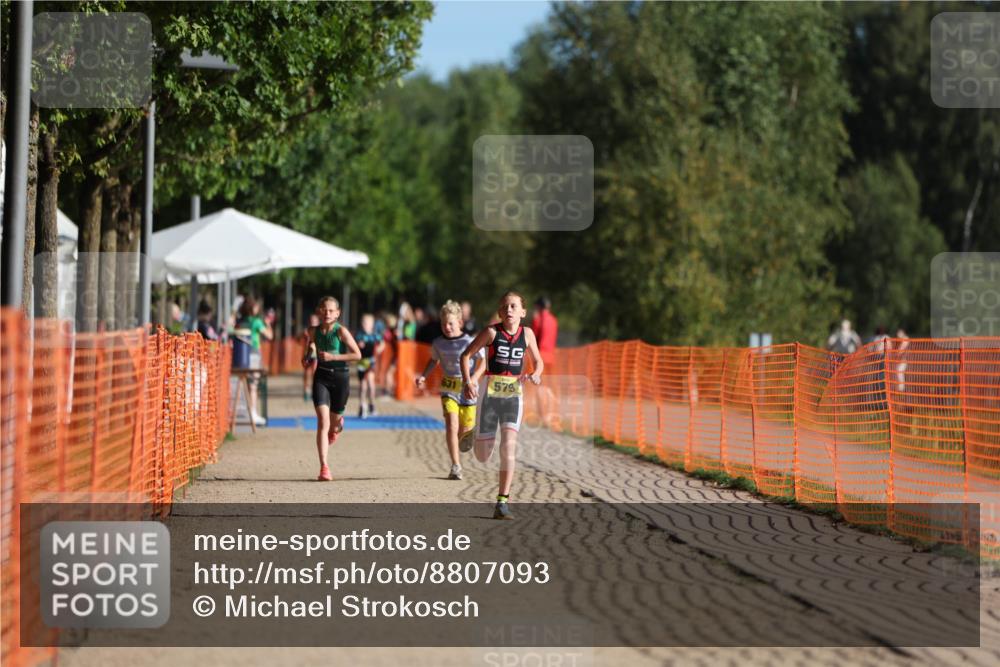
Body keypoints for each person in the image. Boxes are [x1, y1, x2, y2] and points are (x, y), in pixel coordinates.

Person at [461, 291, 544, 520]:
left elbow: (538, 361)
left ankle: (502, 502)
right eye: (505, 306)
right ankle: (475, 431)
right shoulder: (490, 333)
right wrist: (469, 381)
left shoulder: (527, 334)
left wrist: (536, 373)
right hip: (490, 397)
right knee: (482, 456)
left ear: (522, 312)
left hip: (513, 398)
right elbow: (466, 356)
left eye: (514, 306)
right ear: (499, 312)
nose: (509, 310)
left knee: (508, 446)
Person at [415, 300, 485, 481]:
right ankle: (456, 466)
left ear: (460, 323)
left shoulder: (469, 341)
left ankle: (466, 436)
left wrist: (474, 380)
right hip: (449, 387)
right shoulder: (438, 343)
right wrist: (423, 376)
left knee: (464, 430)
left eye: (451, 323)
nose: (447, 327)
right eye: (444, 324)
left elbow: (483, 361)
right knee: (451, 425)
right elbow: (433, 360)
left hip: (468, 387)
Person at [302, 296, 361, 481]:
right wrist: (307, 356)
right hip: (321, 377)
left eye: (331, 311)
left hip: (341, 378)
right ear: (319, 311)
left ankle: (337, 427)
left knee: (333, 425)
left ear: (337, 313)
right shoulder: (312, 331)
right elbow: (311, 345)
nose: (327, 313)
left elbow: (357, 355)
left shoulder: (341, 331)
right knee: (322, 421)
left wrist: (333, 357)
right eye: (324, 310)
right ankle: (324, 467)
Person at [235, 295, 273, 426]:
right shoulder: (256, 322)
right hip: (254, 353)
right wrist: (268, 324)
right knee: (253, 384)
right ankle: (252, 412)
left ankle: (242, 411)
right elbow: (269, 336)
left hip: (240, 354)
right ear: (252, 308)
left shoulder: (239, 321)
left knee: (242, 382)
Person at [530, 296, 559, 427]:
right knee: (547, 387)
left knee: (539, 387)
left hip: (540, 357)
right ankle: (550, 414)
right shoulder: (554, 320)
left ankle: (544, 417)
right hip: (551, 357)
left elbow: (532, 338)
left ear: (538, 306)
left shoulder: (538, 320)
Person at [355, 313, 384, 418]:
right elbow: (354, 345)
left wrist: (379, 350)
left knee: (371, 384)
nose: (366, 325)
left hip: (371, 361)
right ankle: (362, 406)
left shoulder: (375, 335)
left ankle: (372, 404)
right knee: (363, 386)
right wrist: (358, 345)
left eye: (368, 323)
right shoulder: (359, 335)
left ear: (372, 324)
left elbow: (382, 343)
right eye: (364, 322)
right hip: (362, 362)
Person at [301, 313, 321, 402]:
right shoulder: (306, 331)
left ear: (317, 321)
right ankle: (306, 391)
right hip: (307, 354)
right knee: (307, 374)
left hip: (316, 355)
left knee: (315, 373)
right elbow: (299, 339)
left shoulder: (319, 331)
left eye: (314, 320)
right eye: (311, 320)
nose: (313, 322)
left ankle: (314, 391)